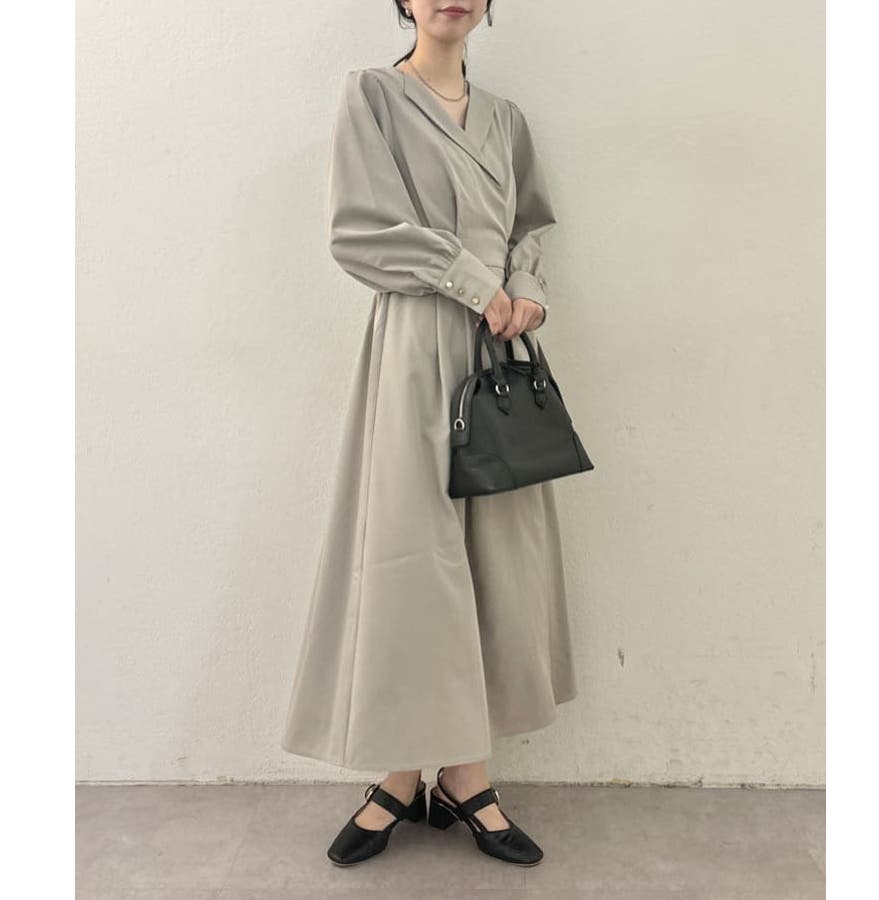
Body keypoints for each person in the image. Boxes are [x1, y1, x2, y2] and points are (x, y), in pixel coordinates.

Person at [280, 0, 578, 867]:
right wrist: (473, 282)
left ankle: (466, 776)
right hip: (415, 345)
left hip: (499, 353)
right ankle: (400, 775)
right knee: (413, 555)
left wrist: (527, 291)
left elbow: (529, 225)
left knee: (493, 558)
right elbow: (358, 230)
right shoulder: (372, 95)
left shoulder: (506, 120)